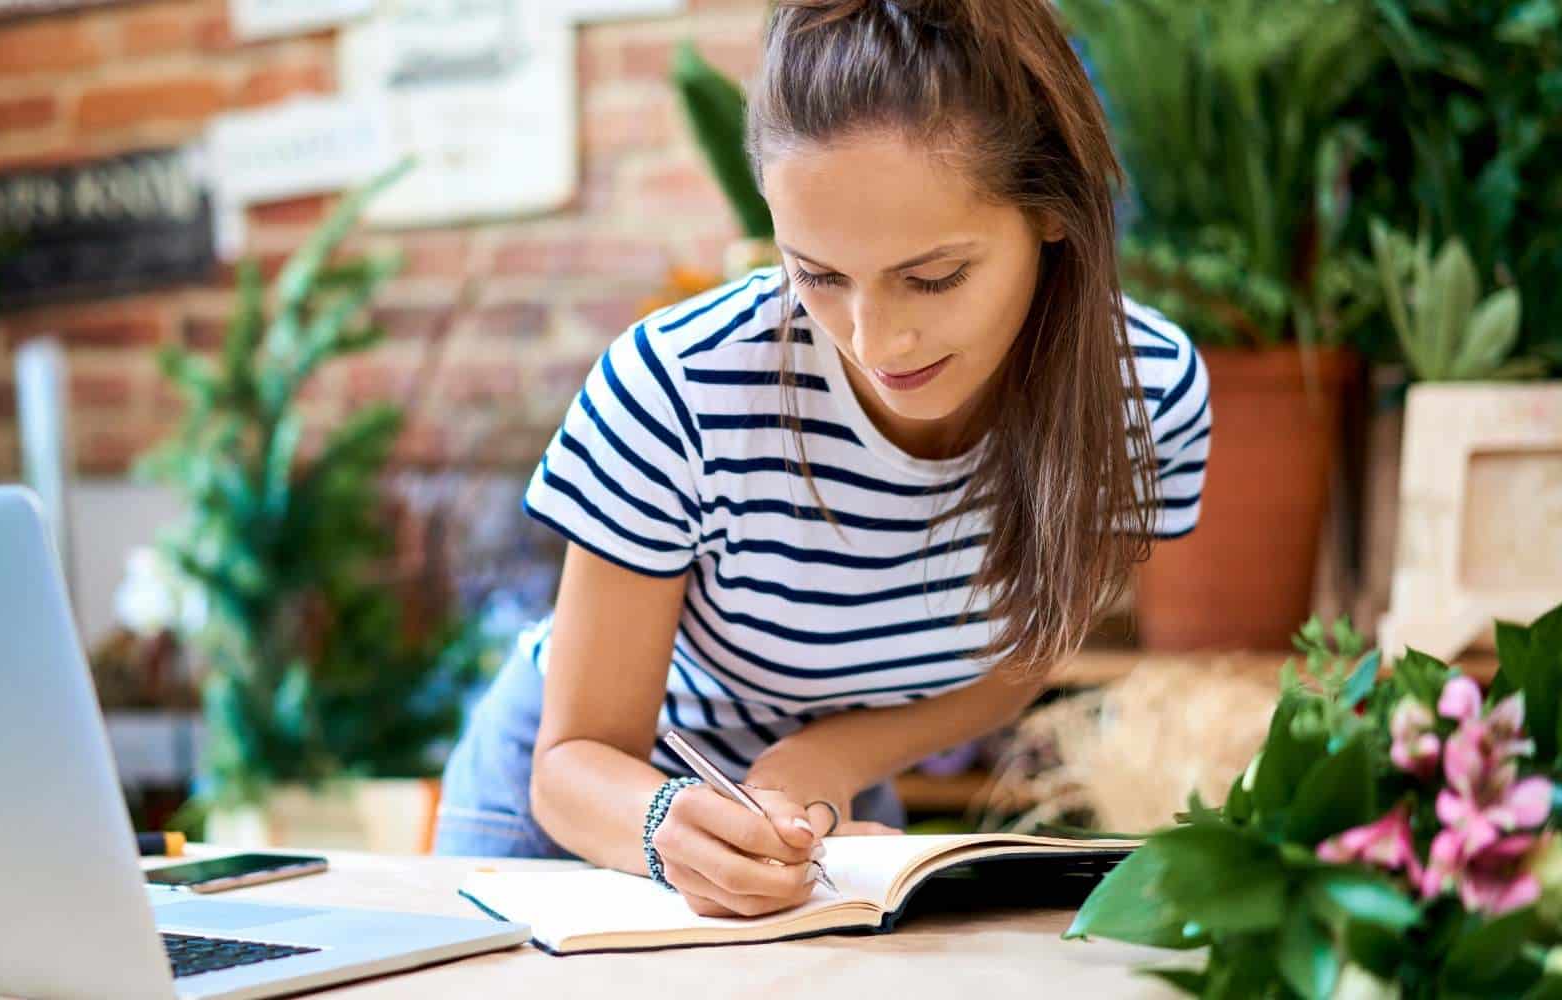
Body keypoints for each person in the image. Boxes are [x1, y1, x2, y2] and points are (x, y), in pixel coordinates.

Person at [434, 0, 1211, 921]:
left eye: (934, 276)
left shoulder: (1144, 396)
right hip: (592, 817)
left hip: (820, 815)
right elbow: (569, 766)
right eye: (819, 276)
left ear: (1052, 212)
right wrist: (665, 826)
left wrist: (825, 762)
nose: (875, 340)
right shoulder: (682, 385)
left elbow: (1024, 656)